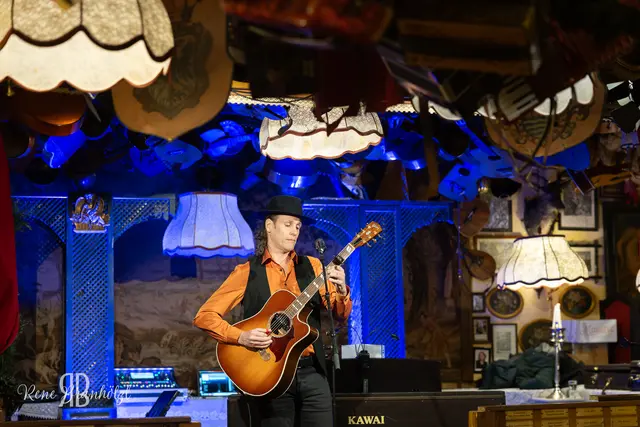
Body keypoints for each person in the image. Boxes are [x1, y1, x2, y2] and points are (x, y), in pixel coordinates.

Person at [193, 195, 352, 427]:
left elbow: (340, 315)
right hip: (268, 373)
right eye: (288, 224)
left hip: (312, 373)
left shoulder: (313, 266)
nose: (294, 231)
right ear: (269, 226)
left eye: (297, 226)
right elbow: (204, 316)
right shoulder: (247, 271)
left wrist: (342, 289)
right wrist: (241, 337)